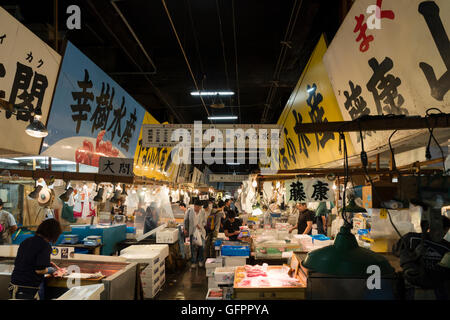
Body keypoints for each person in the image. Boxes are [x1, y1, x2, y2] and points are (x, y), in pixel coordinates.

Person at [9, 218, 62, 300]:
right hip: (27, 288)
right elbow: (39, 270)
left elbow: (28, 260)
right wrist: (51, 270)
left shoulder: (26, 241)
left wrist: (48, 264)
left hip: (14, 285)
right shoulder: (45, 245)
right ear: (54, 233)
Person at [184, 200, 206, 268]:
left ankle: (200, 260)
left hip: (200, 231)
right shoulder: (189, 211)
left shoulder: (203, 211)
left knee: (202, 246)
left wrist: (201, 225)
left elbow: (205, 221)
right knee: (193, 247)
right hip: (192, 231)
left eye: (199, 207)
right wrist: (185, 229)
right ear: (194, 206)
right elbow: (185, 220)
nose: (198, 208)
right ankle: (193, 262)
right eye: (197, 207)